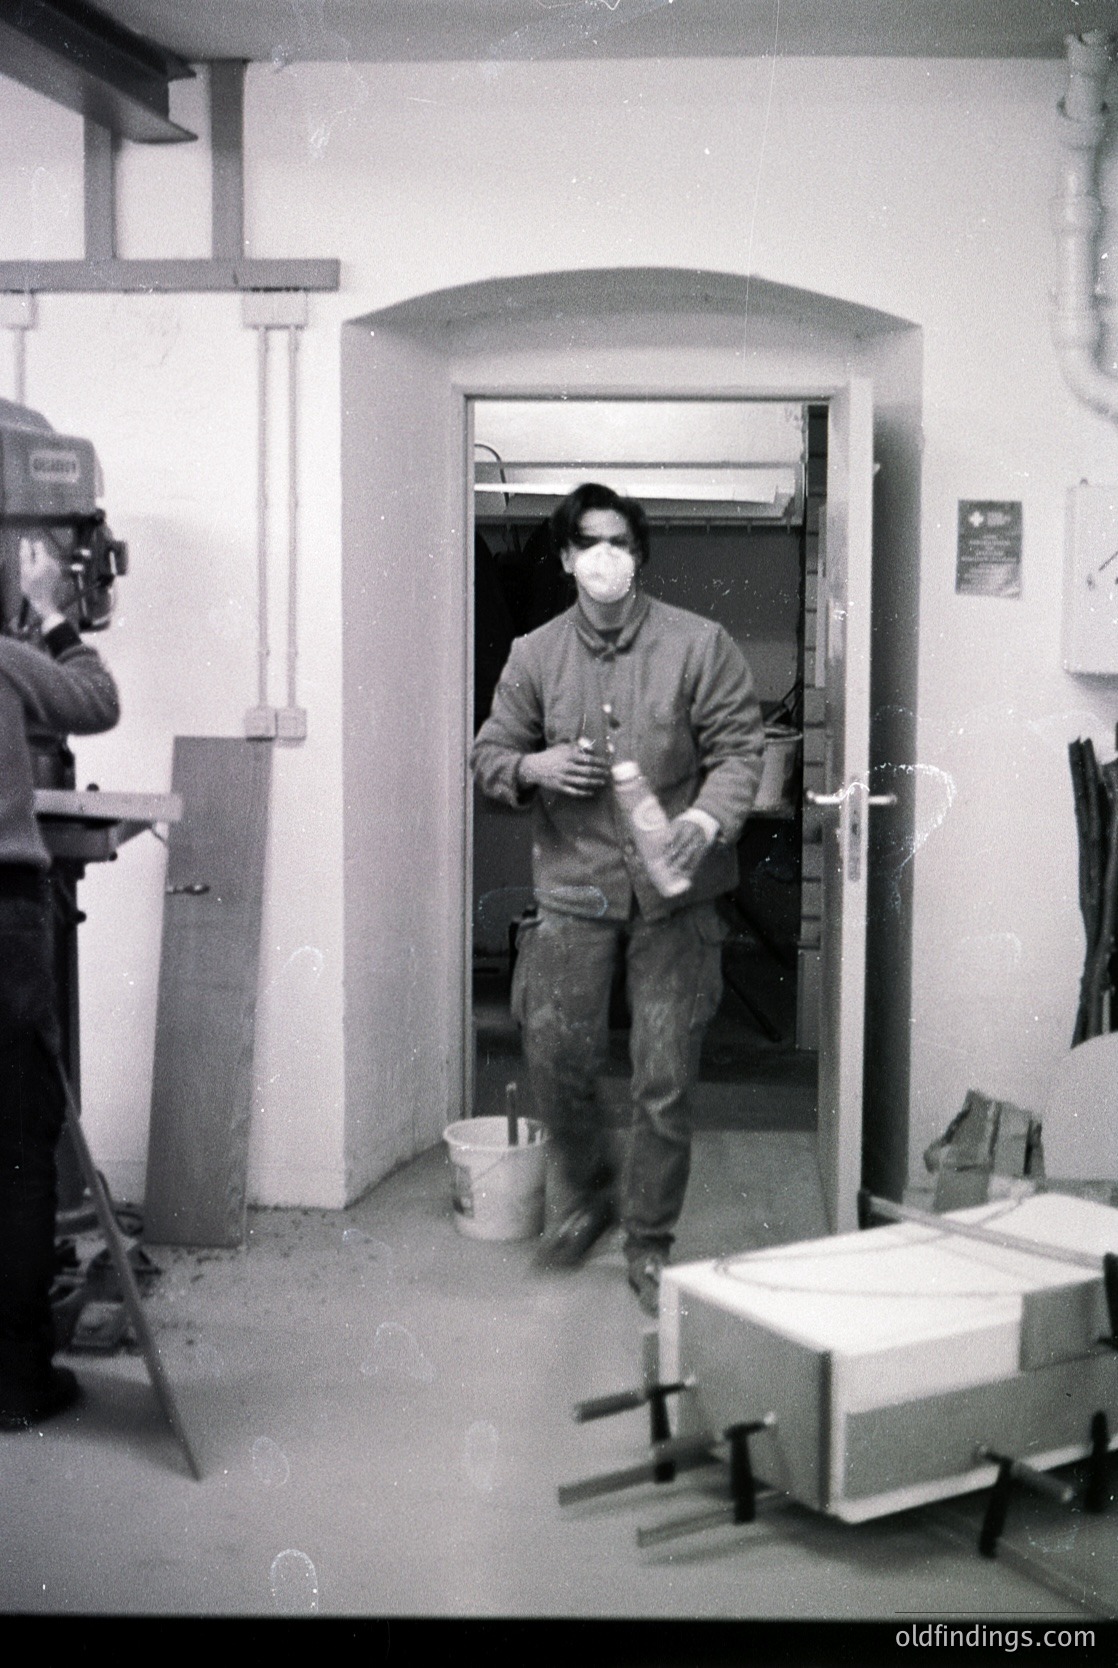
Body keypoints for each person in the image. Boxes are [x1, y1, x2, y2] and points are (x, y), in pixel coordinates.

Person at [471, 482, 765, 1313]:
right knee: (557, 1059)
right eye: (589, 543)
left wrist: (705, 819)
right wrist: (533, 767)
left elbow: (741, 751)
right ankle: (593, 1195)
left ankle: (649, 1240)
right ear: (565, 558)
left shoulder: (699, 645)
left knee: (664, 1079)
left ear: (639, 557)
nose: (606, 558)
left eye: (621, 543)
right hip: (573, 892)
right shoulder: (534, 654)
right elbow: (491, 752)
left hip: (677, 896)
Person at [0, 538, 120, 1429]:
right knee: (17, 1145)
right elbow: (95, 701)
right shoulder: (9, 657)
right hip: (4, 913)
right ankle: (17, 1382)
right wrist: (49, 612)